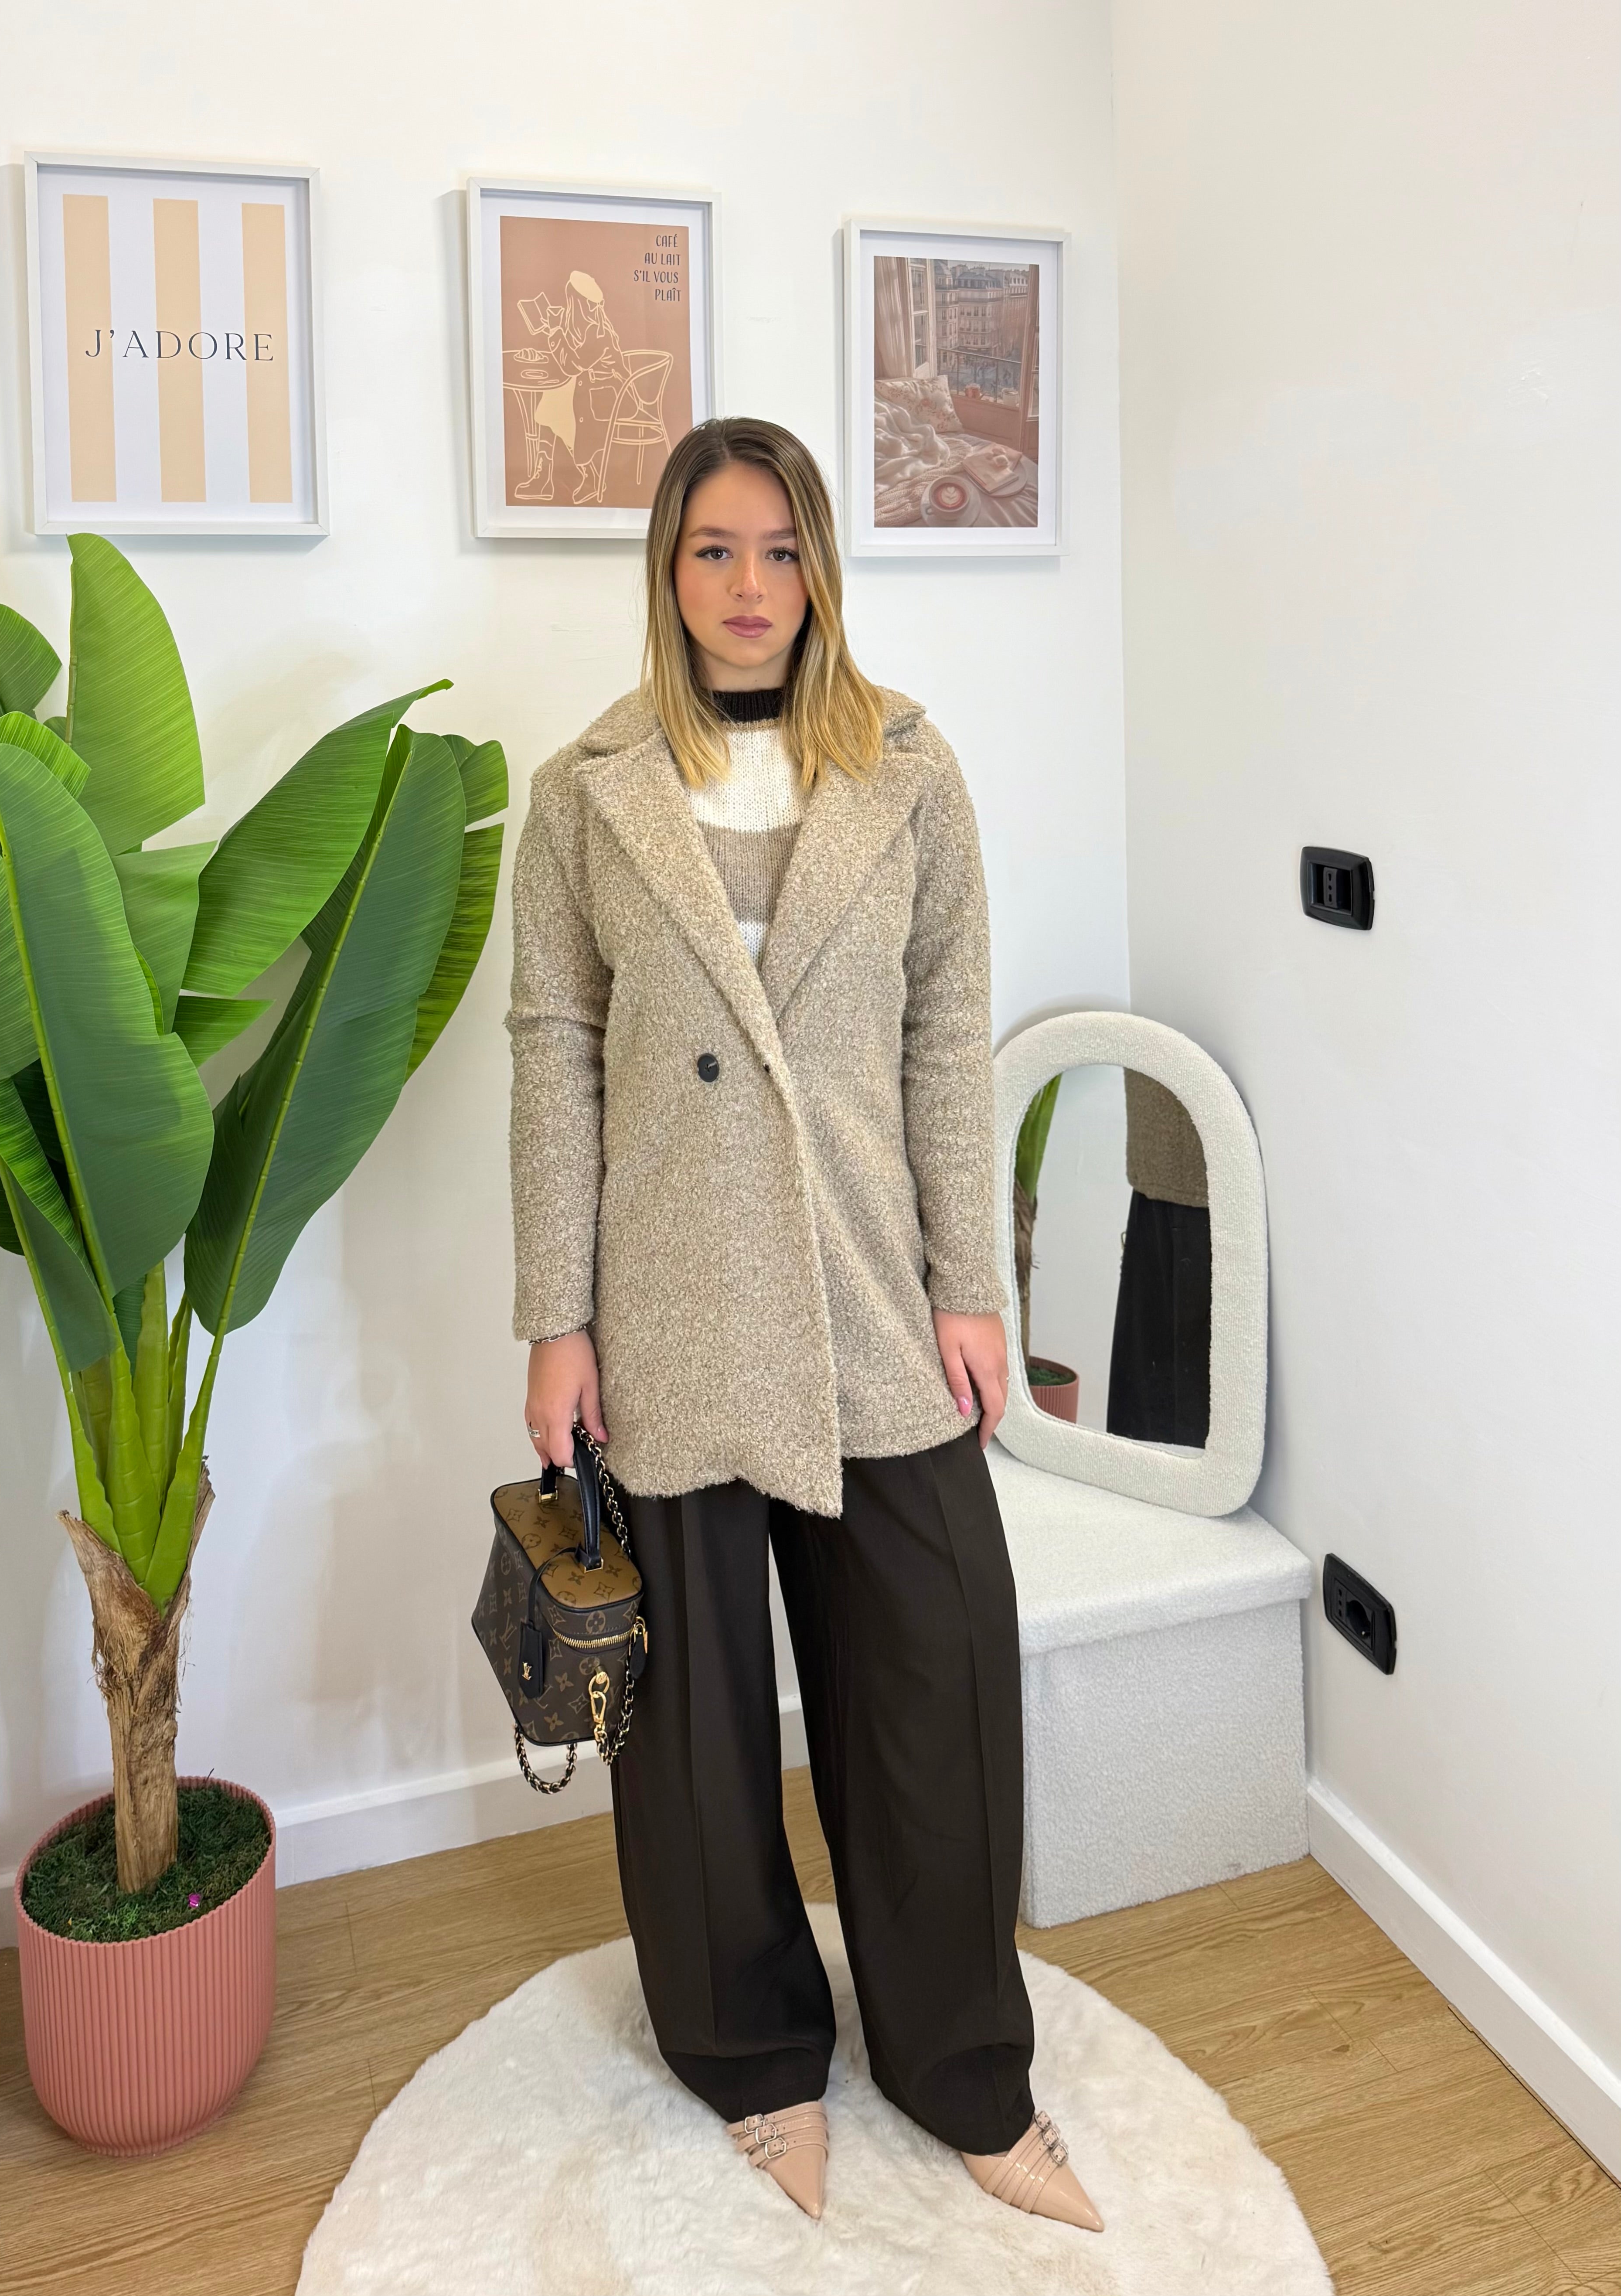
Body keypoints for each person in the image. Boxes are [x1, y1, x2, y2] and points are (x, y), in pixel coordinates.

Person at [504, 415, 1102, 2232]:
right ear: (667, 572)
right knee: (688, 1733)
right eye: (713, 549)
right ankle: (752, 2056)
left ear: (819, 569)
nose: (748, 585)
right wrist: (555, 1316)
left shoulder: (907, 769)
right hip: (670, 1300)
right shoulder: (587, 787)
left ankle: (963, 2065)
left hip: (866, 1289)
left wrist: (969, 1284)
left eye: (778, 549)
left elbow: (945, 1037)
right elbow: (553, 1051)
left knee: (936, 1678)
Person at [514, 268, 630, 505]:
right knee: (555, 396)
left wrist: (556, 331)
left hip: (612, 398)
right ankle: (548, 476)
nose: (567, 307)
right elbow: (571, 362)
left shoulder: (599, 333)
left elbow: (572, 365)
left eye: (571, 302)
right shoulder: (582, 329)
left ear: (578, 303)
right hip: (592, 391)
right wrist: (554, 330)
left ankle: (584, 476)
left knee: (558, 402)